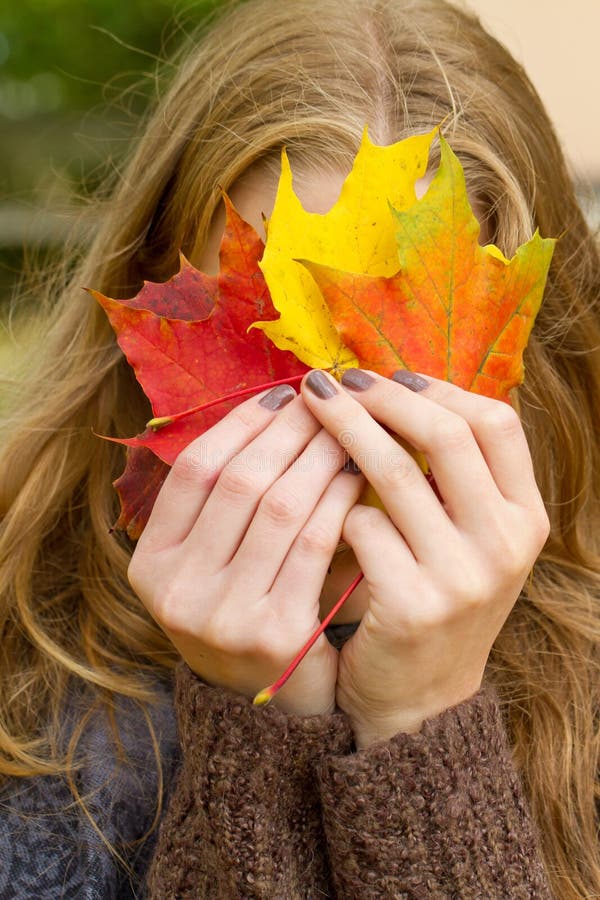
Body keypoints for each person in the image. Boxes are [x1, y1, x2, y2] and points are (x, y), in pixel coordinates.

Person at [1, 0, 599, 896]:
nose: (346, 444)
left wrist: (424, 727)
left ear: (531, 363)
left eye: (404, 376)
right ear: (154, 322)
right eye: (277, 352)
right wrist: (253, 728)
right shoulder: (27, 706)